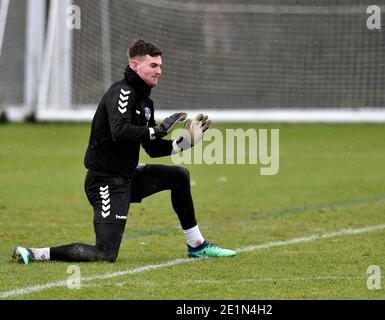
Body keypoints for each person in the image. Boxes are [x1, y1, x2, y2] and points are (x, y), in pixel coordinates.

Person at [12, 39, 236, 264]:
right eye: (153, 66)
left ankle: (197, 245)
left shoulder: (145, 102)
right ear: (135, 65)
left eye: (160, 66)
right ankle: (36, 253)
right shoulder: (122, 92)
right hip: (105, 182)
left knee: (179, 176)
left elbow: (151, 148)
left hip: (126, 176)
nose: (159, 71)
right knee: (105, 254)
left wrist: (185, 143)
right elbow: (120, 130)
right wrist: (157, 130)